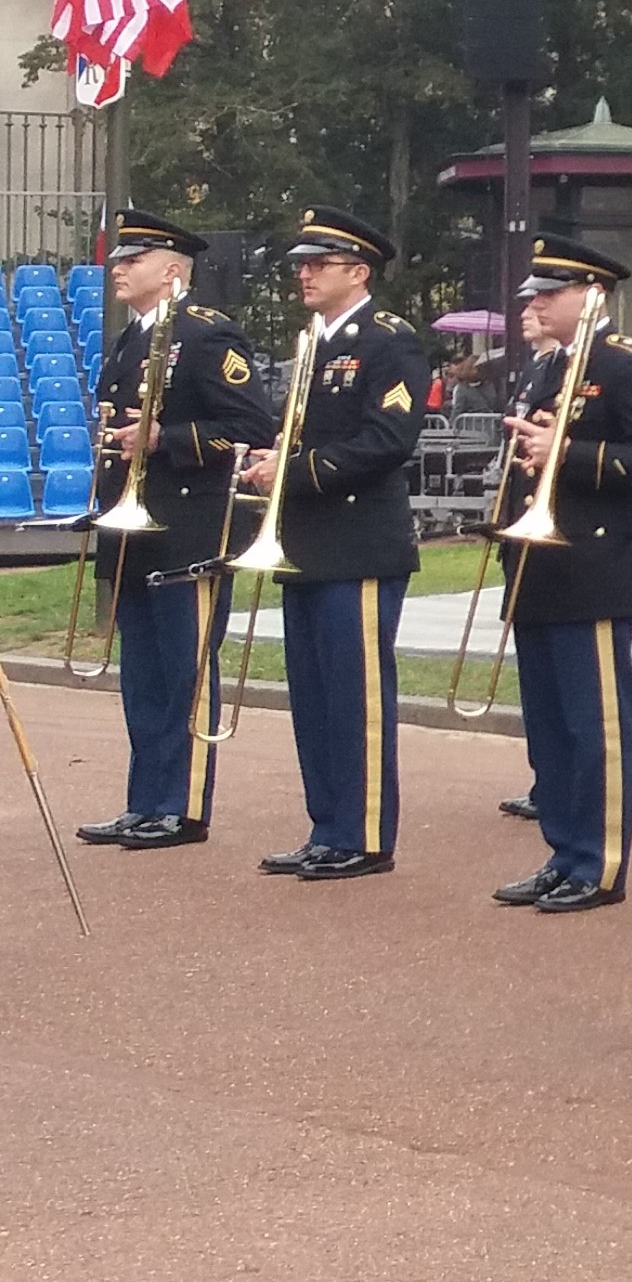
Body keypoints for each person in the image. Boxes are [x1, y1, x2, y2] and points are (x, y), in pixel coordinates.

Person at [489, 236, 632, 914]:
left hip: (594, 564)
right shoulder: (547, 368)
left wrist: (566, 452)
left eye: (550, 292)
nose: (536, 303)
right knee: (550, 727)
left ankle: (598, 862)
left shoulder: (629, 365)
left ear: (590, 295)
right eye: (535, 293)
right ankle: (563, 849)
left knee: (593, 725)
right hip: (539, 565)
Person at [71, 211, 277, 853]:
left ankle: (181, 806)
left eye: (133, 259)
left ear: (171, 271)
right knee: (143, 677)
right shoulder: (131, 339)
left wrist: (167, 437)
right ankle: (145, 800)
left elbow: (252, 425)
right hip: (134, 530)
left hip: (188, 529)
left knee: (185, 672)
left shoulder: (206, 335)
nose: (119, 268)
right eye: (119, 259)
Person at [244, 207, 431, 883]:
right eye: (302, 262)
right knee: (315, 696)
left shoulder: (388, 339)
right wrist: (271, 458)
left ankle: (365, 832)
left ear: (358, 270)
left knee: (355, 697)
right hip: (307, 542)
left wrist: (291, 472)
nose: (304, 271)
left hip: (358, 542)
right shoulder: (312, 342)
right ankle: (328, 824)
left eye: (317, 262)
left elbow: (389, 440)